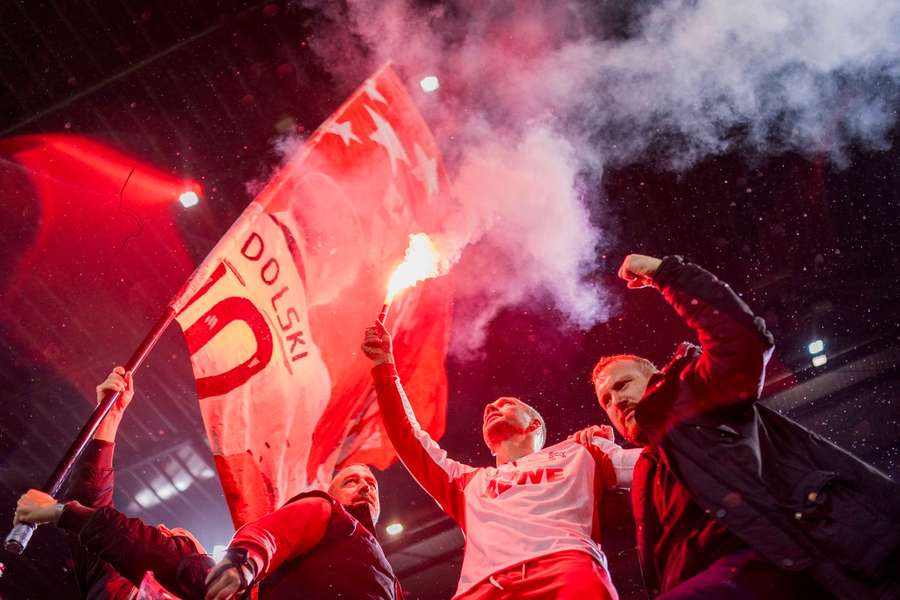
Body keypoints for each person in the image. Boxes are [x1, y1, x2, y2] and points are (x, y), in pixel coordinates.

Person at [586, 253, 900, 599]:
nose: (616, 401)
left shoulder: (695, 393)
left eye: (623, 384)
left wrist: (666, 273)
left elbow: (742, 341)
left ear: (657, 377)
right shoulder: (648, 469)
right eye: (606, 401)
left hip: (764, 568)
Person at [361, 321, 642, 600]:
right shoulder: (466, 483)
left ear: (534, 425)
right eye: (490, 408)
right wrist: (385, 365)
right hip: (482, 589)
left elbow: (658, 461)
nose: (491, 407)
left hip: (566, 571)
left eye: (507, 404)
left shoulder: (582, 452)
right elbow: (409, 439)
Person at [13, 367, 212, 599]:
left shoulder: (202, 584)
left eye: (174, 541)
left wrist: (61, 512)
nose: (160, 530)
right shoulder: (115, 585)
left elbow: (149, 550)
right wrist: (110, 416)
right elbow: (90, 508)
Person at [204, 463, 401, 600]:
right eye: (351, 482)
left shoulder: (393, 581)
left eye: (372, 485)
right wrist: (243, 562)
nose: (366, 487)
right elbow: (273, 533)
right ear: (331, 494)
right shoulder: (325, 508)